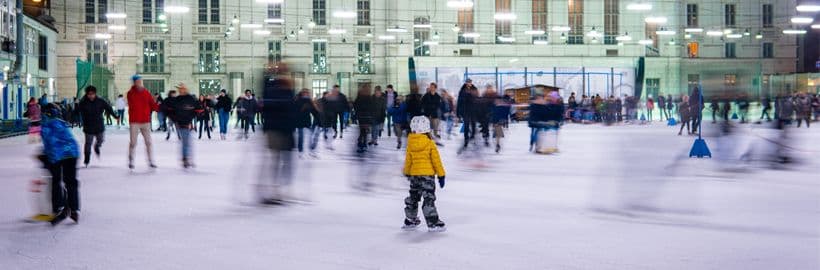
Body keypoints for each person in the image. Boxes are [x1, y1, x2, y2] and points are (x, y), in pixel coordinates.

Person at [402, 116, 446, 232]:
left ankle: (410, 219)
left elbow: (408, 160)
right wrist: (441, 175)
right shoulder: (429, 143)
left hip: (414, 175)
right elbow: (436, 161)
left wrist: (407, 172)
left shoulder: (411, 142)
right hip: (427, 176)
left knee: (413, 196)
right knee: (428, 198)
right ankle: (433, 222)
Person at [259, 72, 298, 204]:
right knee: (278, 161)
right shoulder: (276, 92)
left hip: (283, 131)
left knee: (282, 162)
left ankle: (278, 189)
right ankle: (276, 190)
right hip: (277, 131)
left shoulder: (287, 93)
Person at [40, 103, 81, 226]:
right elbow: (69, 140)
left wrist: (46, 159)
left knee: (56, 180)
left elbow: (50, 145)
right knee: (71, 181)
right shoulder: (62, 123)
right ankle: (74, 209)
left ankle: (58, 207)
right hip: (72, 153)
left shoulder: (45, 126)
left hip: (58, 155)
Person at [76, 85, 118, 167]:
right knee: (88, 143)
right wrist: (76, 106)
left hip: (99, 125)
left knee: (101, 140)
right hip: (88, 126)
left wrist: (115, 116)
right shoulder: (83, 102)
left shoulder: (100, 101)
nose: (91, 96)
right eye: (89, 94)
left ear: (95, 94)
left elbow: (108, 108)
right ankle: (87, 160)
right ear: (86, 94)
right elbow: (76, 111)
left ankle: (97, 147)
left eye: (92, 94)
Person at [166, 84, 203, 168]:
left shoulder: (190, 99)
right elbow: (170, 110)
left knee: (187, 142)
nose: (181, 90)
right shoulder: (177, 100)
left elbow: (198, 108)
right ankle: (186, 158)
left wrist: (192, 116)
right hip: (181, 123)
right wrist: (175, 119)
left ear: (186, 89)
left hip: (188, 122)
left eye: (183, 89)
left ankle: (187, 158)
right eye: (180, 89)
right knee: (186, 141)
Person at [126, 74, 159, 169]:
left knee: (148, 142)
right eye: (137, 81)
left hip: (145, 121)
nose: (139, 83)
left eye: (140, 81)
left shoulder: (146, 92)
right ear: (134, 82)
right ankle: (131, 160)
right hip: (135, 121)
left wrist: (159, 107)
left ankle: (151, 161)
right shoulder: (130, 93)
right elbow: (133, 102)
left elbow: (152, 105)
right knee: (133, 142)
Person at [353, 84, 378, 153]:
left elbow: (355, 106)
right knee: (365, 131)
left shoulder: (359, 97)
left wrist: (357, 113)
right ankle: (363, 144)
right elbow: (373, 107)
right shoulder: (370, 97)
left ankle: (361, 144)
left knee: (362, 131)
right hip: (367, 117)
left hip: (361, 117)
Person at [456, 79, 478, 151]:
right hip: (465, 111)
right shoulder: (462, 91)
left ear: (471, 83)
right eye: (467, 82)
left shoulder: (474, 90)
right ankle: (466, 140)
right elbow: (459, 102)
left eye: (470, 82)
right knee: (466, 125)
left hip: (473, 111)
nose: (469, 84)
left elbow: (477, 100)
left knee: (473, 125)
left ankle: (472, 136)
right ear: (465, 83)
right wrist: (458, 113)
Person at [295, 89, 318, 154]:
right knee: (301, 136)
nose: (307, 94)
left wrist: (317, 117)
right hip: (300, 120)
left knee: (309, 134)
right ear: (303, 93)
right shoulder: (298, 100)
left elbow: (313, 111)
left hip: (306, 120)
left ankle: (309, 148)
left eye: (307, 93)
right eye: (306, 93)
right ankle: (300, 150)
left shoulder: (308, 101)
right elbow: (295, 110)